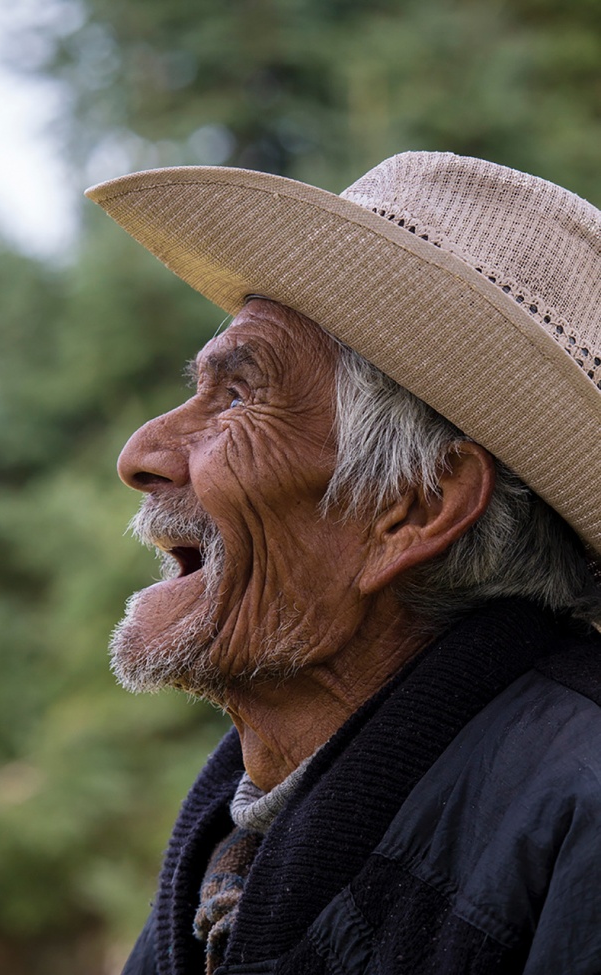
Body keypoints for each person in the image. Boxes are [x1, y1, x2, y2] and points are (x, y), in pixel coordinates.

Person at [86, 151, 601, 975]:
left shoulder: (579, 808)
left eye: (237, 397)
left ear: (418, 505)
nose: (141, 453)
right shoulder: (233, 839)